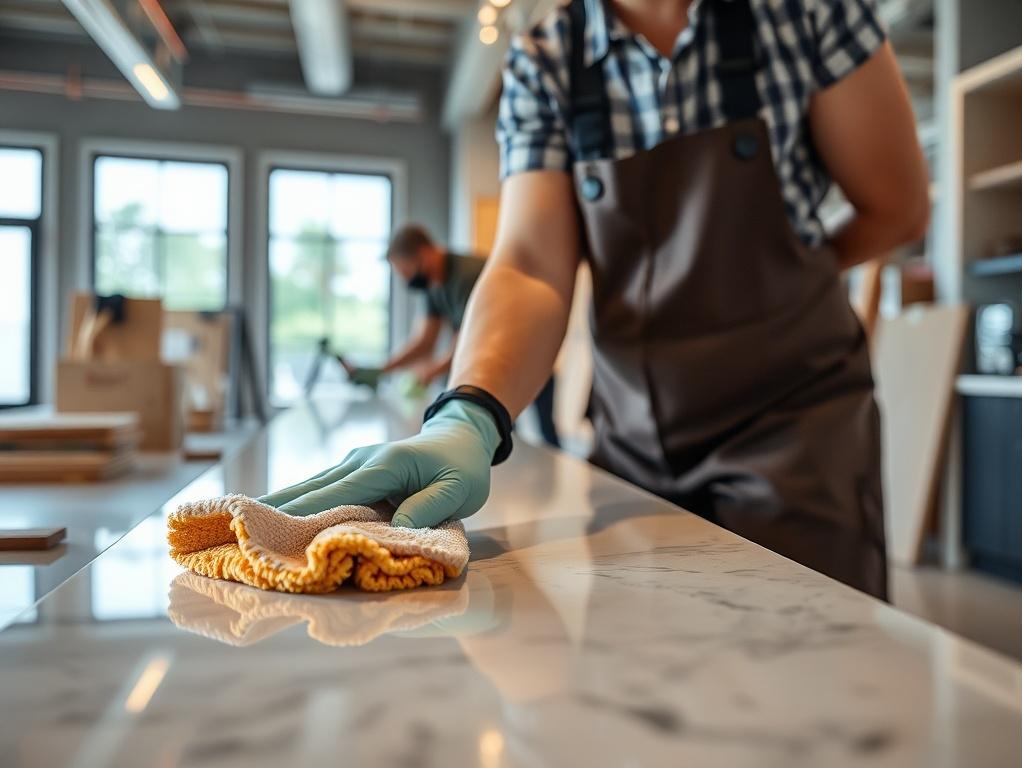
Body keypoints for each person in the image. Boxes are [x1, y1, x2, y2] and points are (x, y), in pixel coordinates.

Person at [260, 0, 930, 599]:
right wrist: (466, 417)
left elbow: (896, 207)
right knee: (638, 694)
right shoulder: (548, 59)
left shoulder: (804, 12)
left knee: (811, 684)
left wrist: (787, 278)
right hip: (638, 446)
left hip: (796, 435)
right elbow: (529, 266)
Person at [349, 224, 561, 447]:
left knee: (543, 432)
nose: (407, 279)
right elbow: (423, 341)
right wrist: (381, 370)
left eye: (406, 270)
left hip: (531, 358)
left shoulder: (466, 275)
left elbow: (472, 337)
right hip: (501, 366)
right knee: (504, 435)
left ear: (424, 254)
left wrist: (434, 370)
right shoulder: (432, 284)